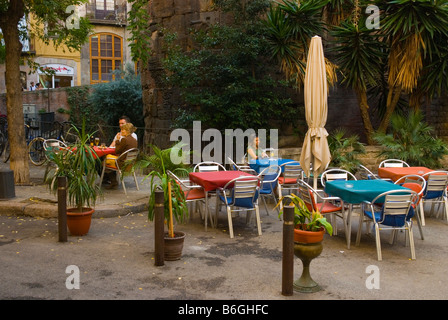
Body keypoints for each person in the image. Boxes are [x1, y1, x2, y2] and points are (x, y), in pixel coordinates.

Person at [104, 123, 138, 189]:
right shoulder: (134, 140)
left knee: (105, 161)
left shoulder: (124, 139)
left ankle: (113, 182)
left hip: (122, 164)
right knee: (108, 159)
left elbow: (117, 151)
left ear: (127, 131)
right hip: (130, 164)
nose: (121, 131)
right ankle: (113, 182)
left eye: (123, 130)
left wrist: (117, 140)